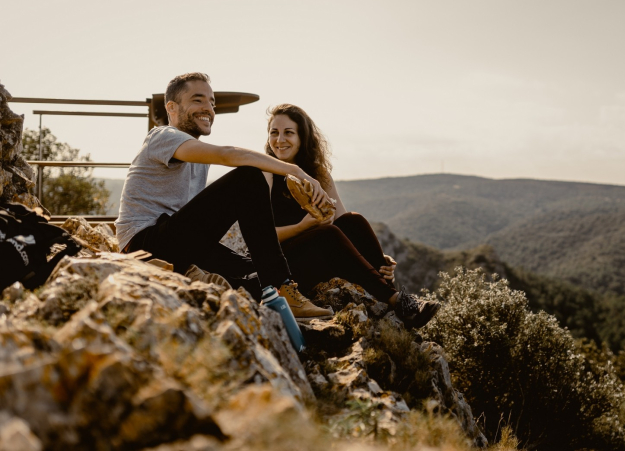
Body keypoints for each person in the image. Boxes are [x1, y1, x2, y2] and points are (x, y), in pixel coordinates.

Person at [115, 73, 332, 320]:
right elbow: (228, 154)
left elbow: (194, 221)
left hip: (177, 243)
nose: (208, 108)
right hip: (145, 246)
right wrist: (294, 170)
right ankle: (281, 287)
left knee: (255, 272)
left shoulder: (198, 159)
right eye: (198, 100)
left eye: (212, 102)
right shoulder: (162, 136)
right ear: (172, 108)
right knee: (248, 177)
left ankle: (276, 290)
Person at [263, 104, 440, 329]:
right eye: (274, 133)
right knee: (326, 233)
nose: (280, 140)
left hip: (320, 255)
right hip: (287, 266)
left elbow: (343, 224)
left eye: (288, 132)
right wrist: (303, 226)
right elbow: (260, 238)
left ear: (302, 137)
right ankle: (397, 300)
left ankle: (387, 289)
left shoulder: (317, 174)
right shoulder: (265, 173)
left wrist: (373, 256)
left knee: (353, 220)